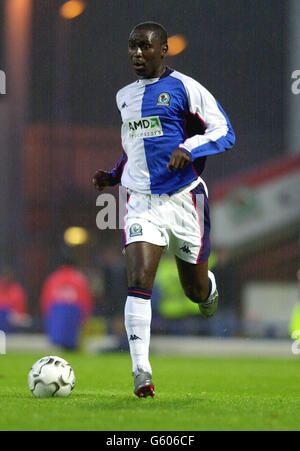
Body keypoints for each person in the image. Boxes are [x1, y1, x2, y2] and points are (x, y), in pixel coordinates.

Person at [92, 22, 235, 398]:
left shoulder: (186, 88)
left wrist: (190, 148)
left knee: (195, 290)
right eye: (132, 47)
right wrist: (113, 175)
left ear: (164, 49)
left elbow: (224, 130)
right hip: (140, 202)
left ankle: (208, 291)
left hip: (185, 199)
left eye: (145, 47)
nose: (137, 54)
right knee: (139, 280)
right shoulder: (124, 97)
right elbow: (134, 151)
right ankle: (142, 372)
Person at [40, 260, 93, 350]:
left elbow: (46, 300)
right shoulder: (79, 279)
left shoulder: (54, 278)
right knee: (72, 345)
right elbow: (86, 301)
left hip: (57, 315)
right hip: (73, 316)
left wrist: (47, 317)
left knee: (59, 346)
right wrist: (85, 317)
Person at [0, 267, 28, 333]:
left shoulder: (17, 290)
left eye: (8, 275)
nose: (6, 278)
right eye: (4, 275)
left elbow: (20, 313)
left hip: (13, 326)